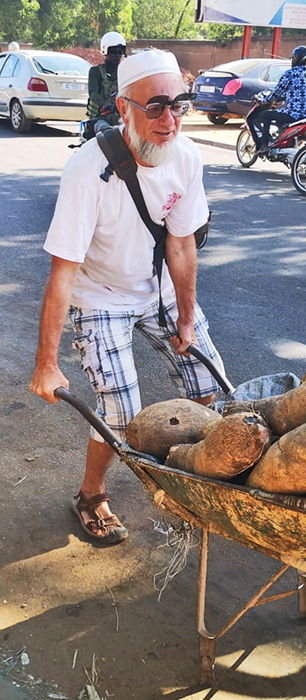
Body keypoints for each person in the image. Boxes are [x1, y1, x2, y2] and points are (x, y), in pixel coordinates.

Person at [30, 50, 225, 546]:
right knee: (119, 411)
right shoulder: (86, 171)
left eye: (178, 104)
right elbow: (63, 272)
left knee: (209, 388)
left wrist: (185, 317)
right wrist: (47, 363)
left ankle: (191, 481)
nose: (170, 119)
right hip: (100, 298)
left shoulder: (186, 156)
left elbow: (181, 243)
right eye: (155, 107)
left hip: (158, 290)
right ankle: (91, 494)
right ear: (124, 109)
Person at [250, 46, 306, 154]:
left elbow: (277, 92)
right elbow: (297, 91)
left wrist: (266, 101)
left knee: (265, 115)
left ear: (297, 58)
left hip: (293, 114)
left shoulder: (290, 73)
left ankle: (264, 146)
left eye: (293, 57)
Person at [87, 31, 127, 132]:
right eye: (113, 51)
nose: (117, 55)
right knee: (106, 130)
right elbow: (93, 93)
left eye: (120, 51)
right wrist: (105, 105)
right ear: (105, 51)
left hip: (121, 117)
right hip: (100, 117)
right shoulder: (96, 71)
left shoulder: (126, 72)